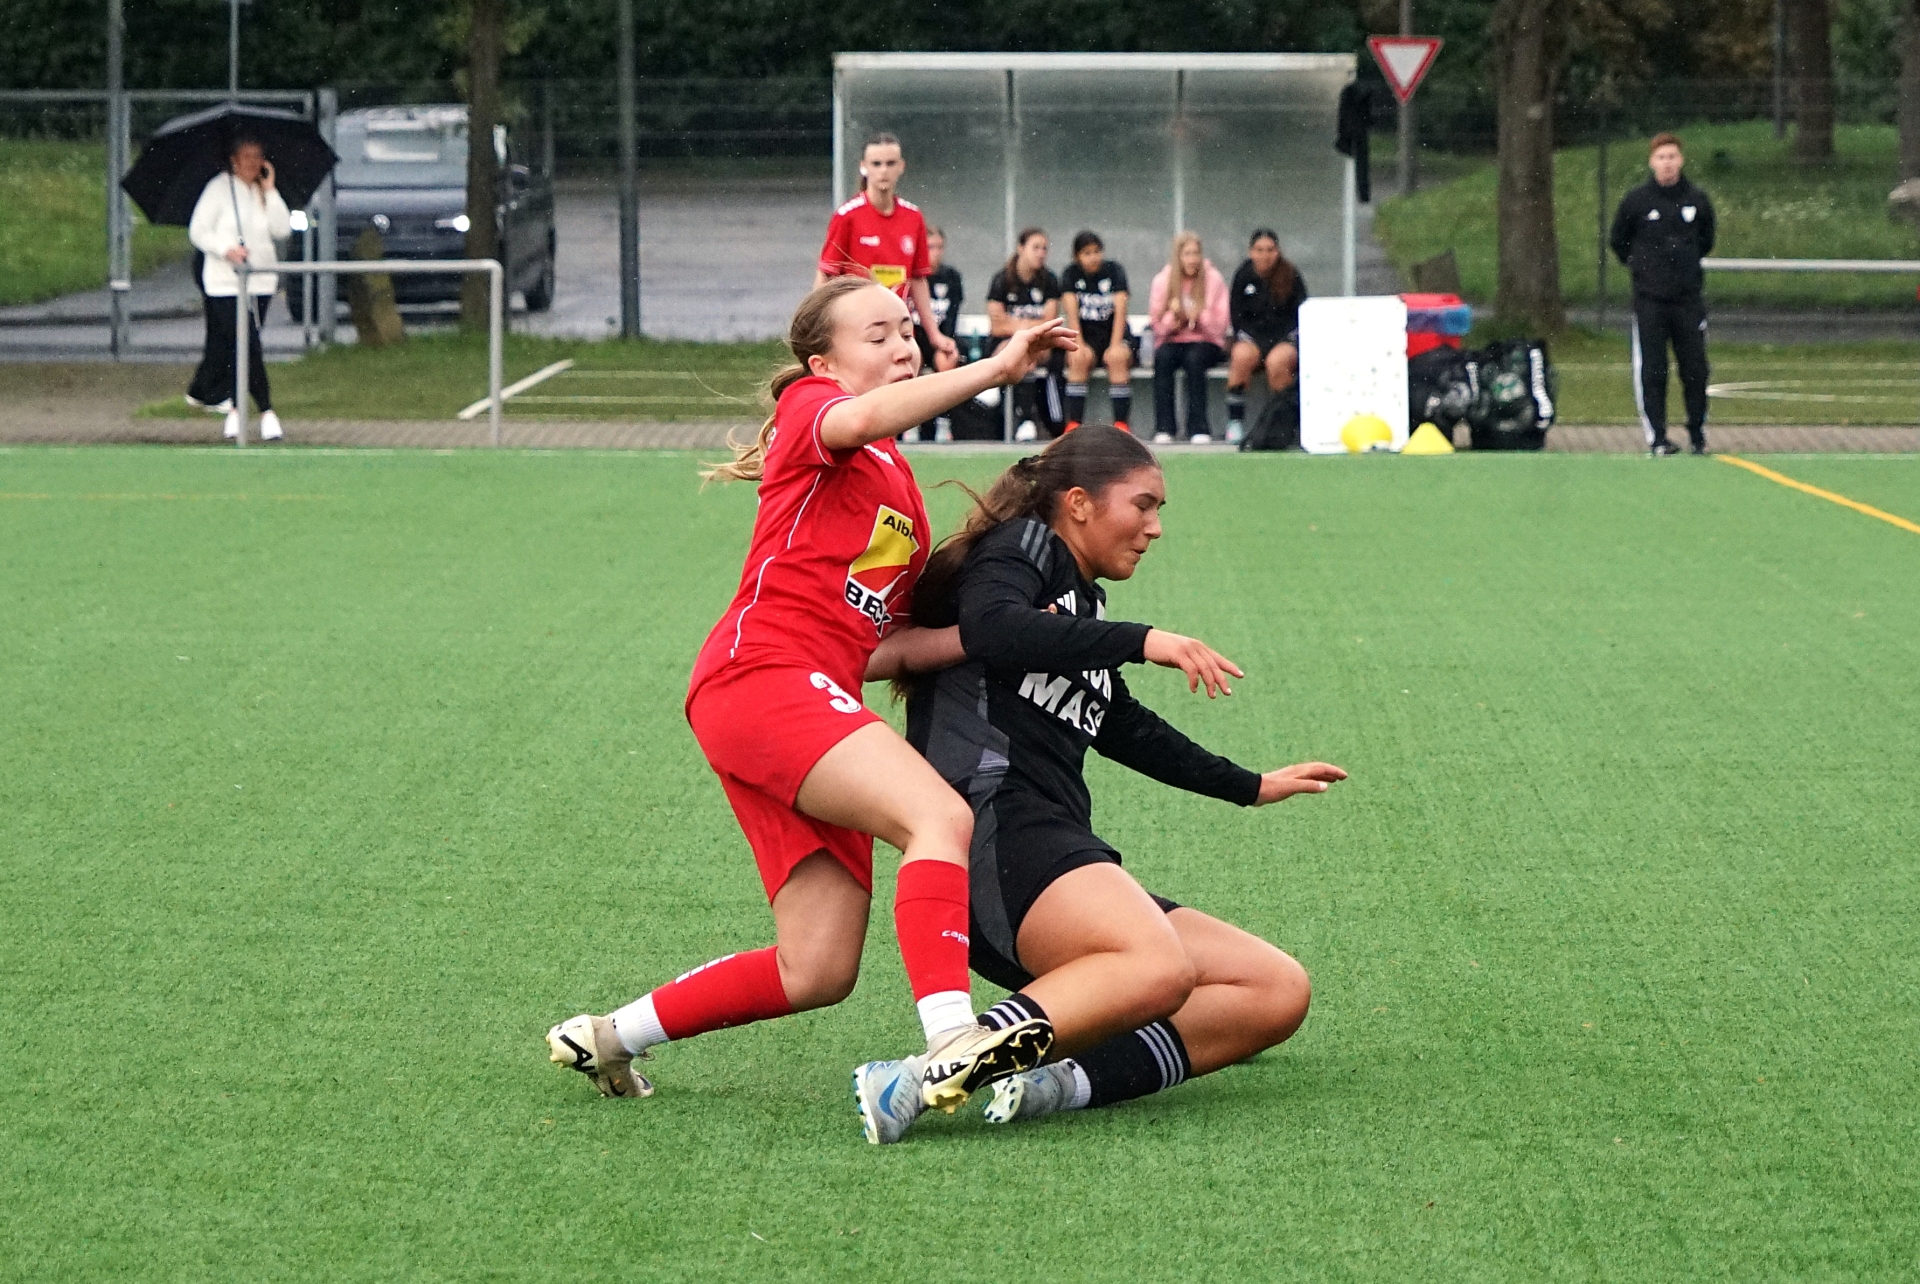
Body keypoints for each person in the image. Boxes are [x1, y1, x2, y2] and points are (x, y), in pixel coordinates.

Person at [545, 277, 1078, 1114]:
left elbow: (877, 647)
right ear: (822, 362)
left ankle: (608, 1036)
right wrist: (996, 368)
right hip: (761, 675)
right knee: (938, 818)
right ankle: (951, 1039)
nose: (902, 346)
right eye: (878, 334)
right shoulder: (814, 408)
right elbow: (862, 418)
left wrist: (1001, 635)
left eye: (907, 332)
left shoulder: (895, 480)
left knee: (818, 967)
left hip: (794, 696)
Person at [852, 426, 1345, 1143]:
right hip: (997, 834)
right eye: (1142, 505)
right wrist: (1146, 641)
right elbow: (992, 628)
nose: (1155, 527)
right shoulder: (1024, 545)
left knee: (1273, 990)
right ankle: (915, 1077)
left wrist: (1250, 784)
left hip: (1051, 853)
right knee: (1160, 966)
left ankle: (1052, 1083)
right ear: (1078, 503)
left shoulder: (1081, 604)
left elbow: (1120, 723)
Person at [1609, 132, 1717, 456]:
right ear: (1652, 162)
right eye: (1661, 157)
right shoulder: (1637, 202)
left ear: (1680, 160)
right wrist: (1645, 268)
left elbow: (1706, 239)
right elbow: (1619, 241)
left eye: (1672, 157)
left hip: (1688, 301)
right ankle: (1657, 437)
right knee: (1653, 370)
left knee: (1695, 370)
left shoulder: (1697, 200)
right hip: (1650, 302)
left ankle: (1697, 434)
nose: (1667, 163)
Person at [815, 132, 958, 370]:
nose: (883, 171)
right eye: (876, 164)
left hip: (898, 328)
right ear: (864, 167)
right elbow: (826, 274)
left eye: (890, 163)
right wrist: (816, 328)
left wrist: (934, 335)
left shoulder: (913, 216)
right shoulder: (847, 216)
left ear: (901, 167)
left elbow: (918, 279)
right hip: (858, 328)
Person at [186, 134, 291, 442]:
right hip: (224, 282)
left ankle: (234, 407)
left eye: (258, 157)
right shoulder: (218, 189)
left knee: (245, 344)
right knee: (244, 342)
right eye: (246, 157)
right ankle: (266, 410)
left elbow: (282, 229)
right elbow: (198, 230)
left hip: (260, 280)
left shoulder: (262, 191)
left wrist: (270, 191)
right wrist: (226, 249)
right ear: (234, 160)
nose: (252, 163)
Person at [1225, 229, 1308, 446]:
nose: (1265, 255)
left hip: (1283, 340)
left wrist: (1287, 340)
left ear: (1277, 251)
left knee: (1277, 363)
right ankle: (1235, 422)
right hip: (1253, 339)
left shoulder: (1290, 274)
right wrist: (1248, 339)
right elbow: (1236, 315)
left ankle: (1285, 424)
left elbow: (1301, 314)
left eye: (1270, 250)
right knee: (1241, 356)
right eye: (1259, 250)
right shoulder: (1243, 275)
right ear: (1251, 252)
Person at [1147, 232, 1229, 444]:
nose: (1192, 259)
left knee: (1195, 360)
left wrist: (1199, 316)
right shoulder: (1163, 280)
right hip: (1173, 339)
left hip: (1206, 341)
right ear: (1178, 256)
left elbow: (1220, 326)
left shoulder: (1214, 279)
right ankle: (1164, 427)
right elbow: (1156, 325)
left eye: (1196, 253)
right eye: (1187, 254)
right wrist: (1173, 320)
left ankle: (1199, 427)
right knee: (1163, 358)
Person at [986, 227, 1066, 442]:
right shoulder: (1002, 279)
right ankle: (1017, 412)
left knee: (1027, 351)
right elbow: (997, 326)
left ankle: (1026, 418)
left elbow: (1049, 322)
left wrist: (1016, 325)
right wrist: (1029, 326)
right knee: (1016, 350)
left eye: (1044, 249)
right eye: (1035, 248)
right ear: (1021, 248)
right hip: (1006, 342)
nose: (1041, 253)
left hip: (1040, 344)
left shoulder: (1049, 280)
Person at [1059, 231, 1135, 433]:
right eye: (1087, 253)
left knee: (1117, 358)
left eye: (1096, 252)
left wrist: (1115, 344)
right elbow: (1071, 315)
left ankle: (1121, 424)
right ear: (1077, 256)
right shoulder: (1071, 274)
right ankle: (1074, 424)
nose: (1093, 257)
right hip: (1086, 338)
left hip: (1114, 336)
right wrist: (1079, 345)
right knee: (1078, 358)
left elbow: (1121, 311)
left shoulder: (1115, 271)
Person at [905, 226, 966, 444]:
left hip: (939, 338)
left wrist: (946, 342)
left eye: (940, 247)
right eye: (930, 247)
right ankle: (909, 421)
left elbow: (952, 317)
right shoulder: (910, 275)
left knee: (947, 359)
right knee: (909, 360)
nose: (936, 253)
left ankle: (943, 419)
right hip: (913, 338)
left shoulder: (951, 278)